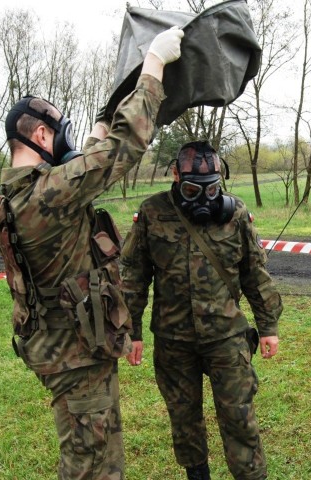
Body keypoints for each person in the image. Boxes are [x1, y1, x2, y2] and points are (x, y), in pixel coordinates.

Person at [0, 26, 184, 480]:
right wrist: (153, 66)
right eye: (59, 133)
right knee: (90, 464)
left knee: (96, 453)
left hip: (60, 348)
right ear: (40, 134)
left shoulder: (11, 196)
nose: (65, 142)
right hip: (75, 357)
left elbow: (80, 169)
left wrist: (98, 124)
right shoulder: (48, 194)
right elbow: (122, 147)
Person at [120, 140, 283, 480]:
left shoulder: (236, 213)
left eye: (211, 190)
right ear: (176, 174)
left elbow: (255, 273)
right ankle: (197, 475)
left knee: (239, 416)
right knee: (183, 417)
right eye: (193, 189)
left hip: (227, 337)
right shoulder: (152, 213)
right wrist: (131, 331)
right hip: (173, 340)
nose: (203, 199)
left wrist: (268, 326)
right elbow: (134, 277)